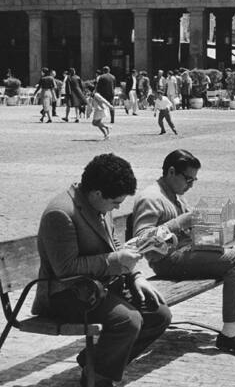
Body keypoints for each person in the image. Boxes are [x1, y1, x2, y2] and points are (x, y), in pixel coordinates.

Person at [32, 153, 171, 387]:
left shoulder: (97, 203)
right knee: (128, 320)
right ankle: (98, 380)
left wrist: (135, 275)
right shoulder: (61, 213)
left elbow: (112, 241)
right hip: (65, 294)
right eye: (116, 202)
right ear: (97, 193)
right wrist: (116, 259)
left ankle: (94, 362)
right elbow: (65, 269)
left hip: (96, 287)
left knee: (159, 315)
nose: (117, 207)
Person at [132, 149, 235, 357]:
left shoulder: (174, 194)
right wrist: (181, 222)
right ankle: (230, 334)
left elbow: (185, 226)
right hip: (168, 260)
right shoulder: (151, 197)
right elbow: (141, 240)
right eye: (188, 179)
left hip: (188, 252)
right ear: (171, 172)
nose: (191, 185)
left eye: (194, 180)